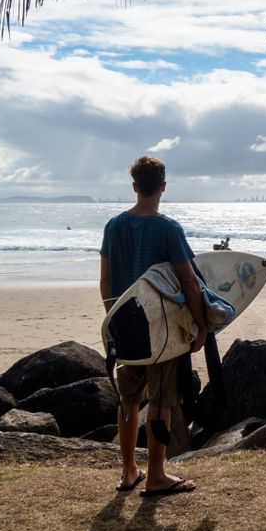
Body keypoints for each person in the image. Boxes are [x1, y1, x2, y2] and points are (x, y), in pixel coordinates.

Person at [100, 156, 207, 497]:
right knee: (161, 399)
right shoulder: (169, 229)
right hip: (161, 329)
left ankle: (129, 471)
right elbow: (189, 282)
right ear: (163, 186)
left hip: (125, 326)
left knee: (128, 399)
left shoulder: (113, 226)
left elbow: (105, 282)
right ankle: (157, 475)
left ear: (134, 186)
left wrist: (113, 320)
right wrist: (202, 326)